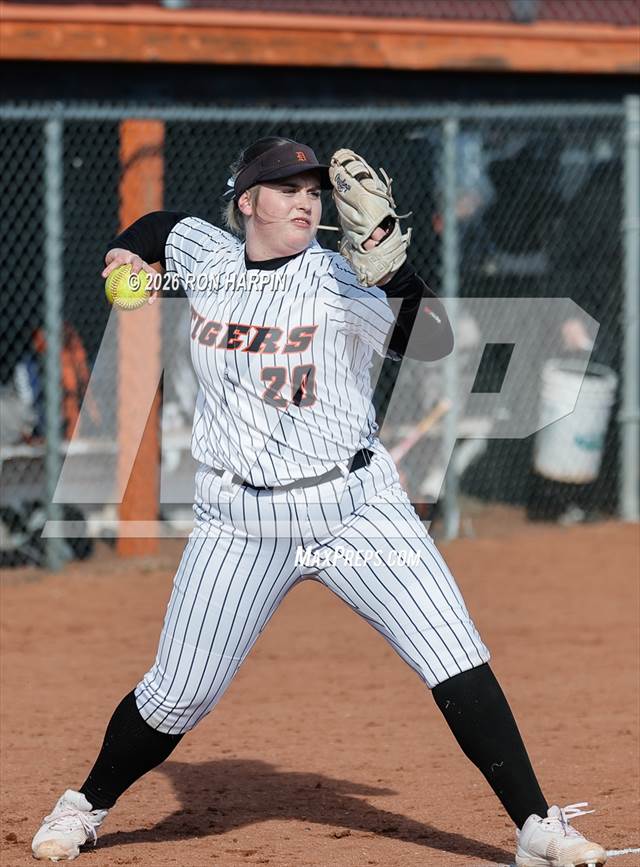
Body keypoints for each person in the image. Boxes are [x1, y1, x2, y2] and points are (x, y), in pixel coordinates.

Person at [31, 137, 606, 867]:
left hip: (356, 508)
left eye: (312, 190)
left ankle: (535, 826)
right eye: (287, 189)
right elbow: (158, 227)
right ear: (247, 203)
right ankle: (84, 805)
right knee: (178, 693)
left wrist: (394, 273)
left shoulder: (341, 280)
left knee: (455, 656)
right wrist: (125, 251)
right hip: (239, 521)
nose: (306, 200)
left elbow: (432, 341)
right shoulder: (207, 257)